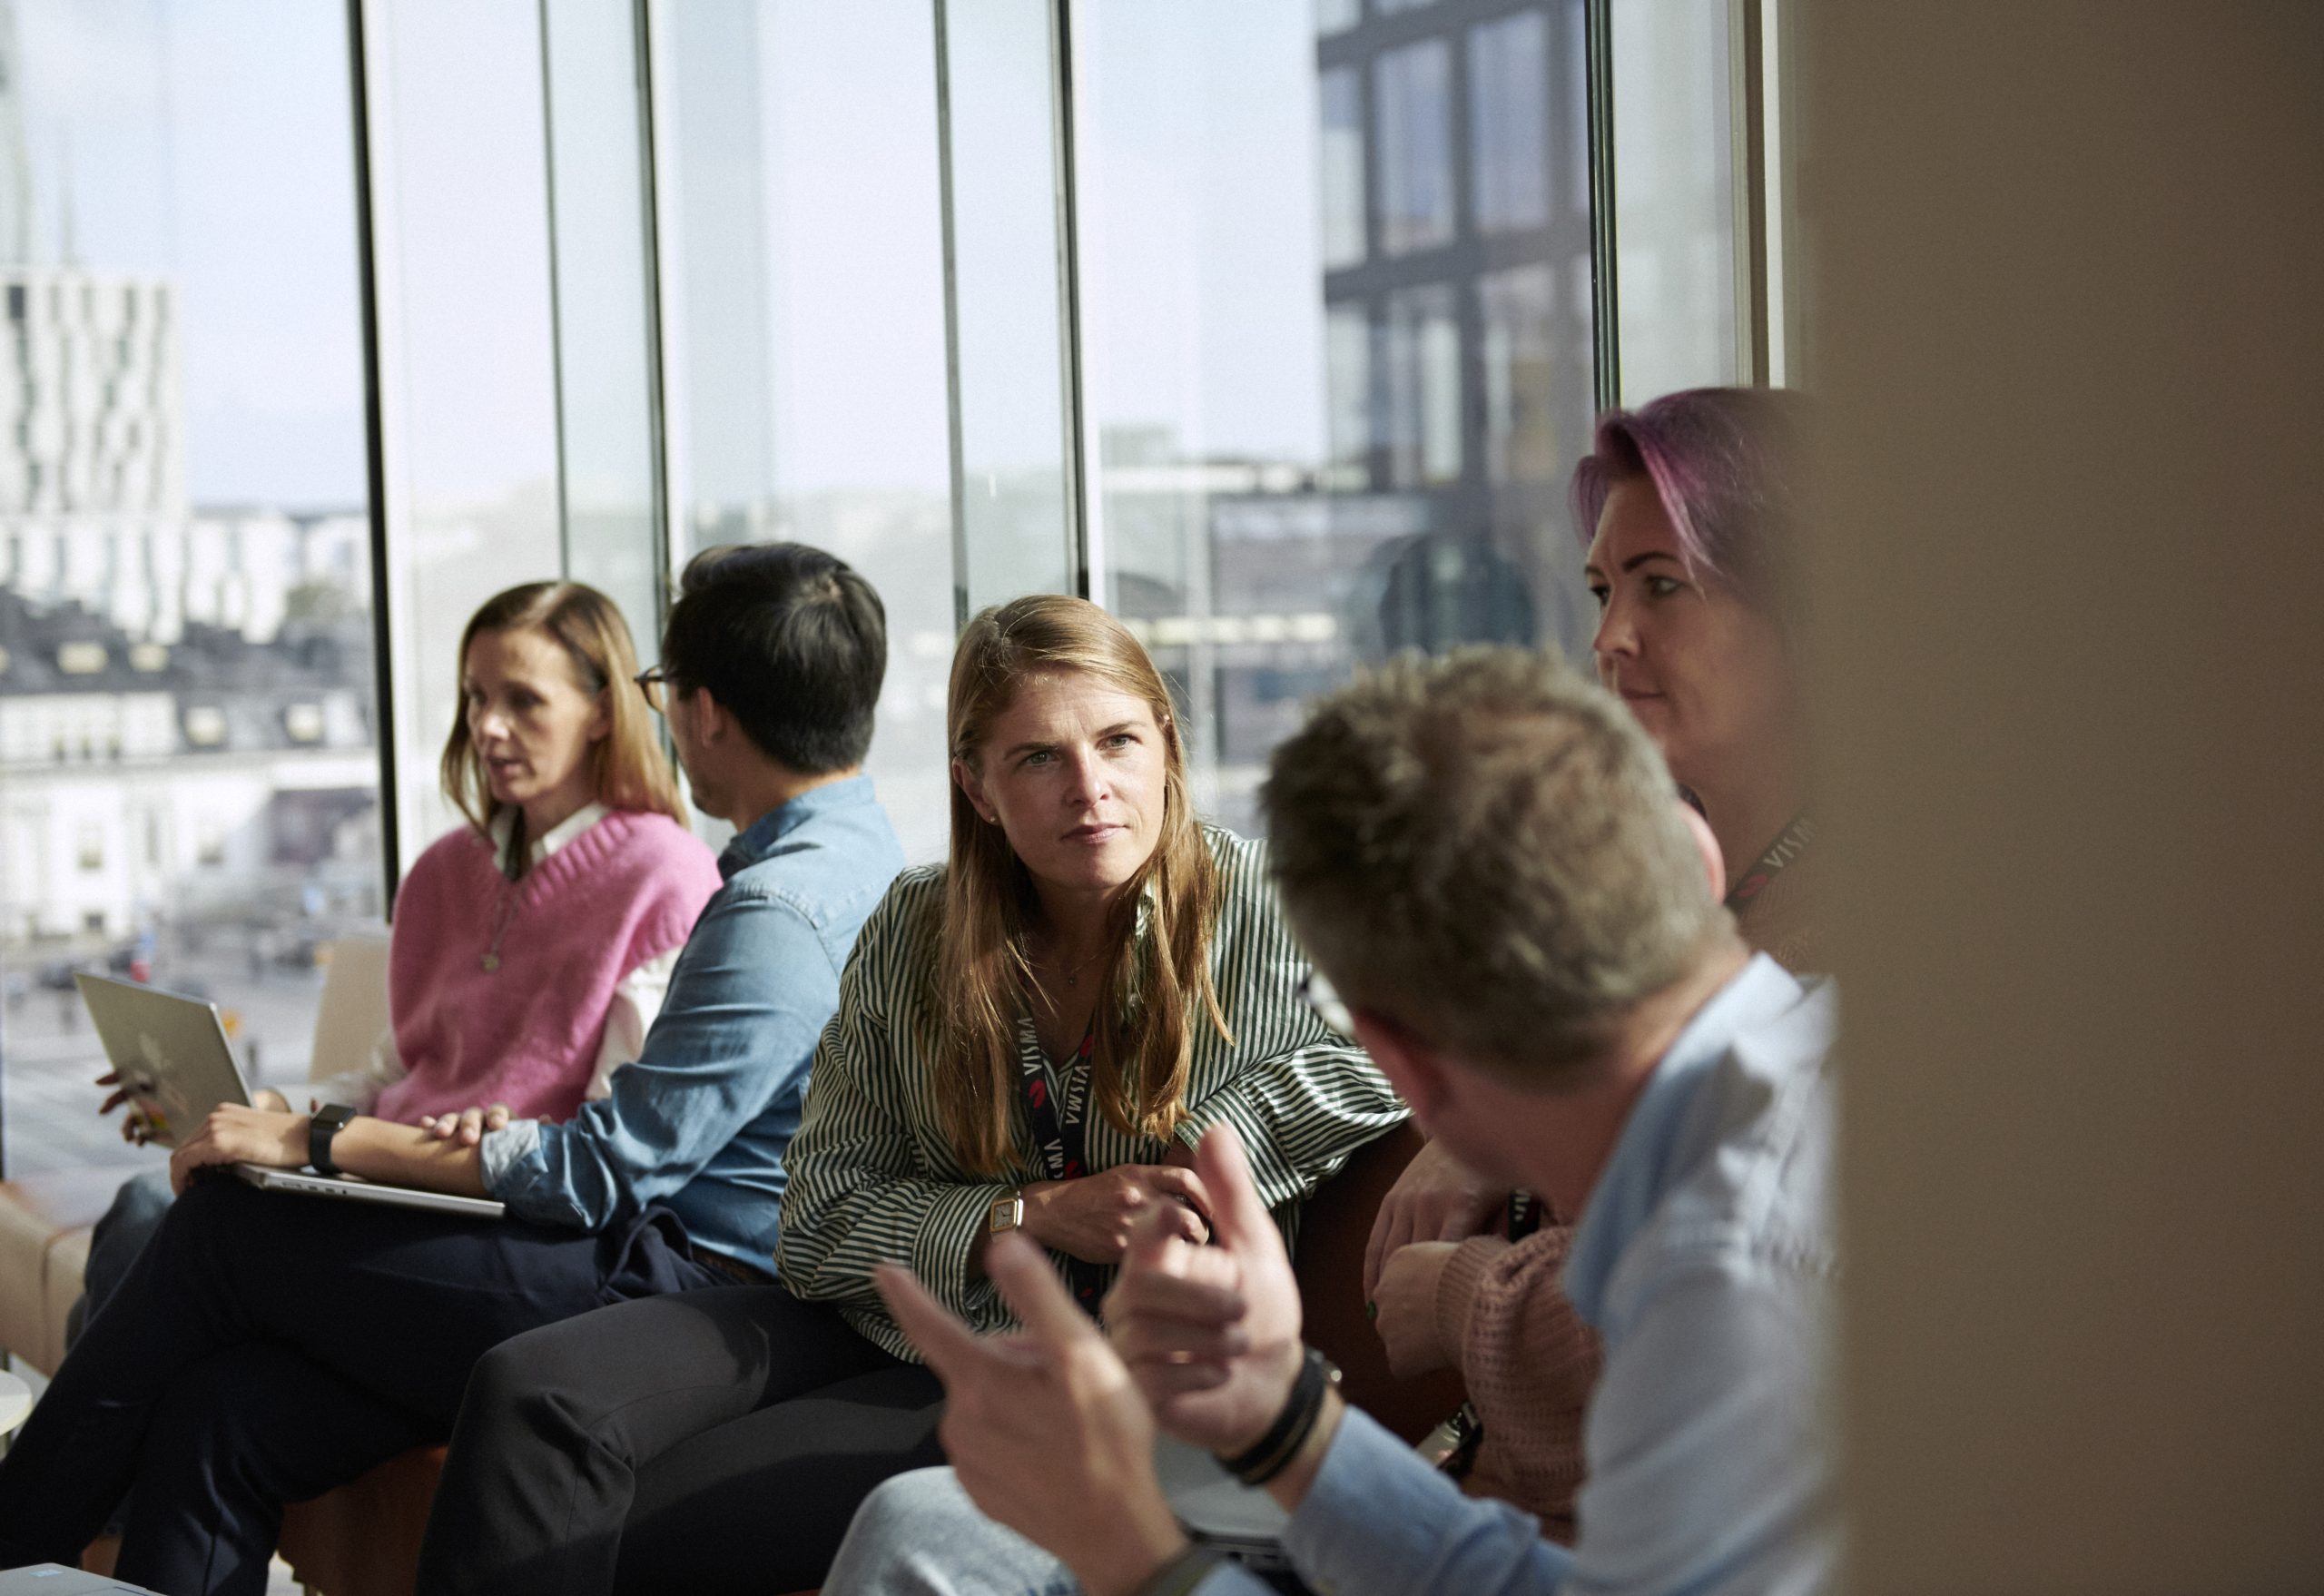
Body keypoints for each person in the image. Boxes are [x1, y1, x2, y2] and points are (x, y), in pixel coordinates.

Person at [412, 593, 1409, 1596]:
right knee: (525, 1392)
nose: (1091, 788)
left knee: (626, 1525)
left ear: (1165, 747)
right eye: (1037, 759)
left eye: (1117, 742)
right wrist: (1028, 1214)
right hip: (879, 1320)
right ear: (975, 787)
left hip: (1081, 1376)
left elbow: (1395, 1047)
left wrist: (1204, 1146)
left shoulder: (1257, 906)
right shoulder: (914, 929)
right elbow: (816, 1224)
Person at [827, 645, 1840, 1596]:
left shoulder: (1720, 1263)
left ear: (1394, 1061)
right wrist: (1287, 1422)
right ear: (1695, 862)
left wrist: (1131, 1550)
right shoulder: (1803, 1100)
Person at [0, 544, 901, 1596]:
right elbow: (429, 1069)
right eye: (476, 697)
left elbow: (607, 1171)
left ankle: (16, 1537)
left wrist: (319, 1140)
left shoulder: (769, 910)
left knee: (214, 1232)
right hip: (640, 1253)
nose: (489, 727)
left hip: (671, 1275)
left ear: (698, 712)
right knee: (223, 1411)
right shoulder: (854, 864)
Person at [1359, 388, 1814, 1533]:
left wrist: (1460, 1300)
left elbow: (1701, 1325)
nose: (1609, 638)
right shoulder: (1652, 881)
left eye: (1663, 586)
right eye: (1605, 591)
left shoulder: (1893, 933)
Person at [72, 579, 724, 1341]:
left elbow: (609, 1138)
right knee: (144, 1206)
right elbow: (395, 1076)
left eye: (523, 701)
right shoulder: (442, 873)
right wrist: (257, 1110)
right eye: (475, 698)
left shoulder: (666, 876)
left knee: (158, 1214)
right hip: (371, 1175)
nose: (488, 726)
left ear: (604, 712)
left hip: (485, 1212)